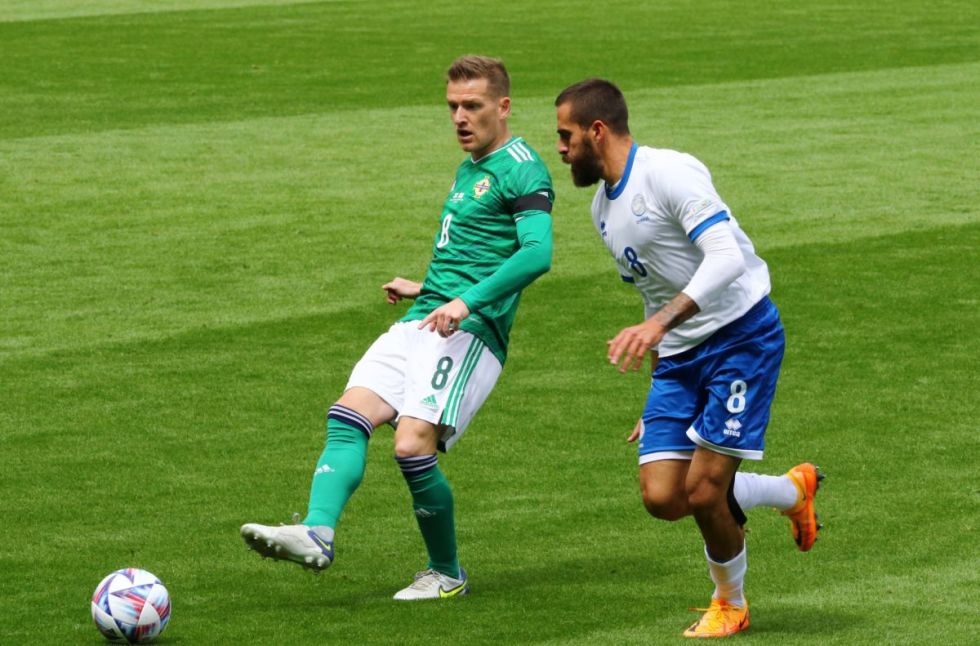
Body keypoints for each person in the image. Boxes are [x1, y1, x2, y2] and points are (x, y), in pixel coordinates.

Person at [241, 55, 554, 601]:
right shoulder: (471, 166)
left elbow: (537, 254)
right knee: (349, 412)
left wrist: (464, 302)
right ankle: (317, 530)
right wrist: (426, 289)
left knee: (411, 447)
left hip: (470, 333)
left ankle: (447, 573)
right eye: (453, 106)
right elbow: (472, 248)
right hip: (426, 317)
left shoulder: (523, 167)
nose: (460, 117)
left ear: (502, 107)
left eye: (473, 106)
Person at [554, 79, 823, 638]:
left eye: (565, 136)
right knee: (663, 495)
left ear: (596, 131)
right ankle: (791, 491)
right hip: (680, 356)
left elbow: (725, 255)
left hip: (740, 338)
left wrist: (656, 325)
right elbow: (655, 297)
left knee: (703, 491)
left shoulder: (668, 173)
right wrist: (658, 396)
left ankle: (732, 602)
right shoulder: (602, 209)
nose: (560, 149)